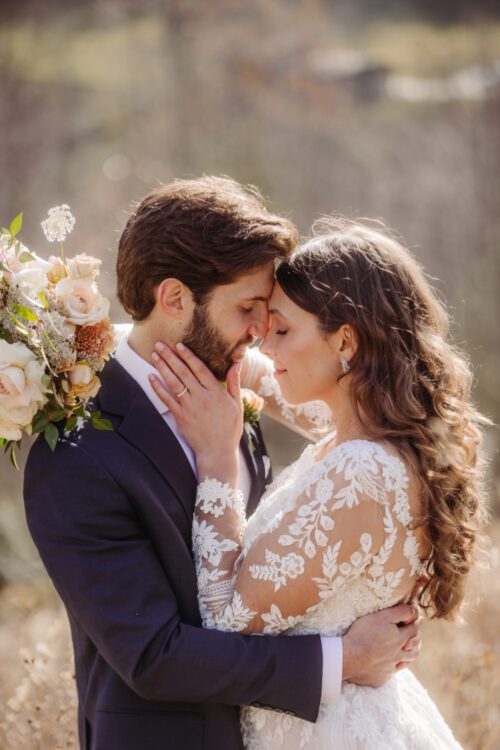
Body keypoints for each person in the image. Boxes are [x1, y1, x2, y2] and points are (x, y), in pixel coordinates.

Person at [24, 179, 420, 750]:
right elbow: (154, 657)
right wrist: (343, 657)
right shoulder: (78, 456)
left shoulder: (233, 385)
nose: (262, 331)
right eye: (246, 308)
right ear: (175, 298)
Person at [149, 216, 487, 749]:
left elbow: (225, 619)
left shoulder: (363, 471)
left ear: (345, 341)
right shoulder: (373, 435)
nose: (265, 344)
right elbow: (257, 372)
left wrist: (217, 457)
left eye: (282, 330)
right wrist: (80, 342)